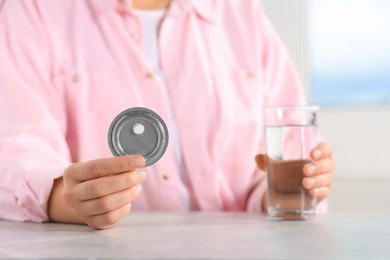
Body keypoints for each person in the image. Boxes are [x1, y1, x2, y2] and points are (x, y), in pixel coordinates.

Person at [0, 0, 334, 229]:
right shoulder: (33, 10)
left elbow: (280, 156)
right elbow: (17, 151)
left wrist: (284, 191)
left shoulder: (240, 11)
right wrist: (67, 199)